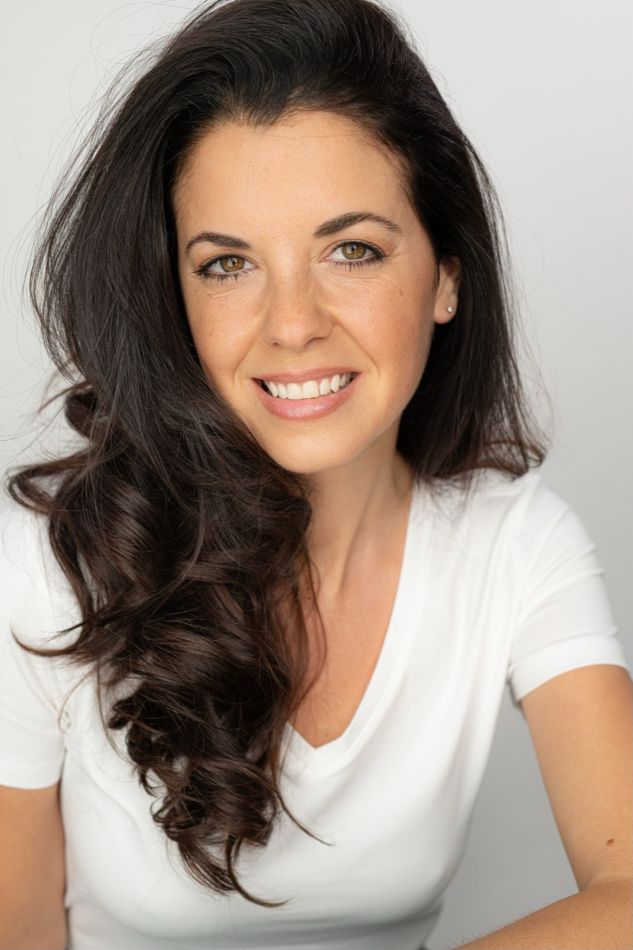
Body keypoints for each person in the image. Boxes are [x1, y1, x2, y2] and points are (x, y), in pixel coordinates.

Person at [1, 0, 631, 948]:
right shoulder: (50, 562)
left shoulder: (513, 542)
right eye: (227, 265)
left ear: (446, 275)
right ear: (174, 298)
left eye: (351, 251)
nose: (291, 324)